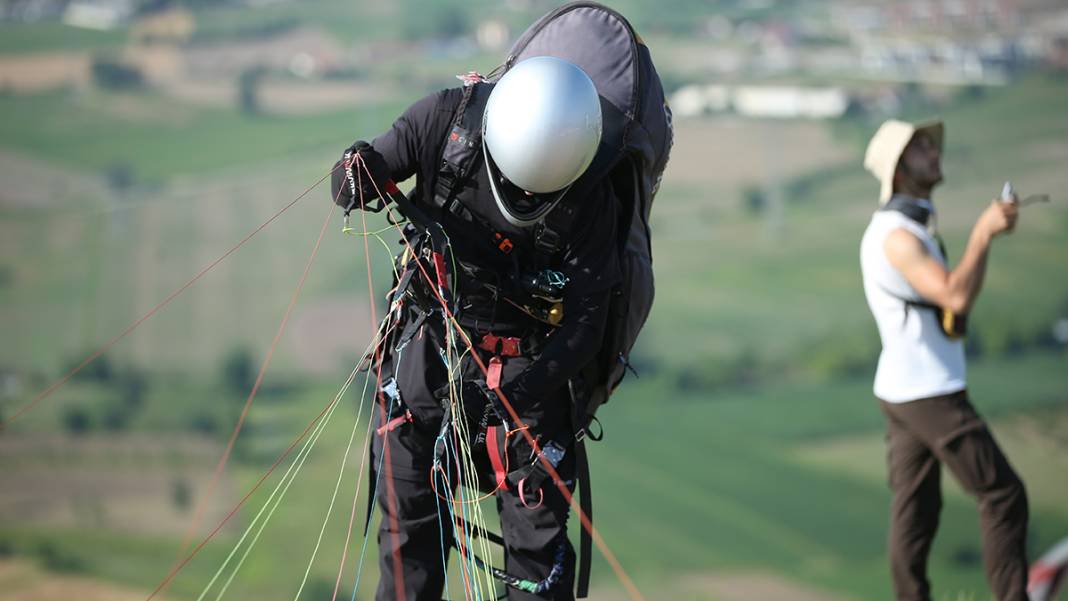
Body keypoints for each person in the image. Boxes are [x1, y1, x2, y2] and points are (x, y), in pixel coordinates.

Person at [330, 56, 620, 601]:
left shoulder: (592, 197)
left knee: (540, 567)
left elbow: (585, 329)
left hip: (528, 379)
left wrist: (516, 393)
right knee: (408, 547)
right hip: (426, 354)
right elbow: (351, 187)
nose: (524, 199)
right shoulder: (443, 122)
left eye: (538, 194)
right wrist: (356, 174)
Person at [860, 119, 1029, 601]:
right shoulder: (898, 236)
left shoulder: (905, 229)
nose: (933, 153)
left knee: (916, 513)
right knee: (1003, 495)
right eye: (919, 149)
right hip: (928, 390)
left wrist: (984, 237)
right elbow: (955, 296)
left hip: (905, 389)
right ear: (898, 170)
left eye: (931, 146)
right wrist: (983, 232)